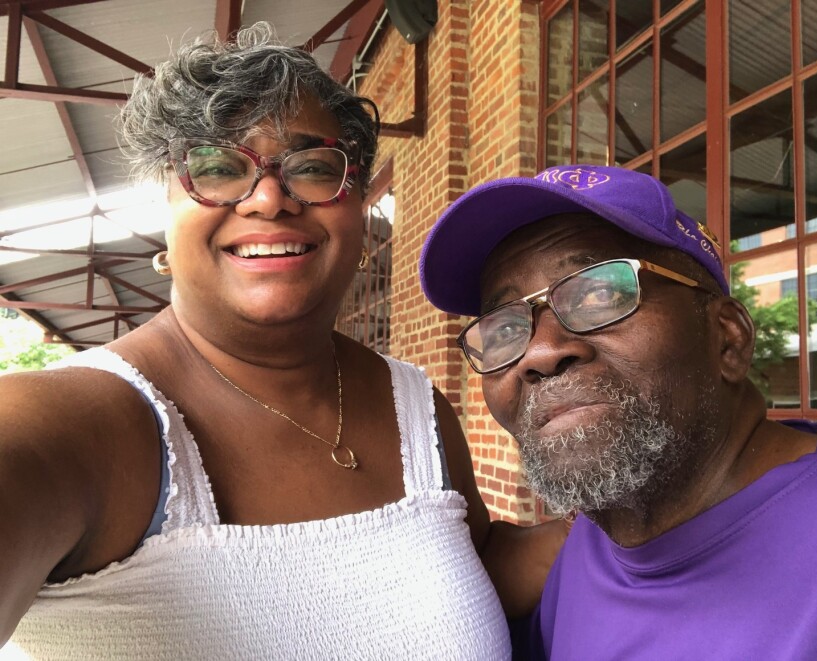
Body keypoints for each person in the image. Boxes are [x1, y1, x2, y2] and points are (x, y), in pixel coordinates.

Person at [0, 24, 567, 660]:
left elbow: (471, 566)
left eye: (314, 167)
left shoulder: (414, 404)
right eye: (217, 167)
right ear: (164, 207)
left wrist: (656, 513)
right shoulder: (74, 423)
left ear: (356, 210)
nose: (269, 198)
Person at [419, 164, 817, 659]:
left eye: (600, 292)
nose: (539, 351)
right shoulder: (591, 540)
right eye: (504, 329)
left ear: (728, 339)